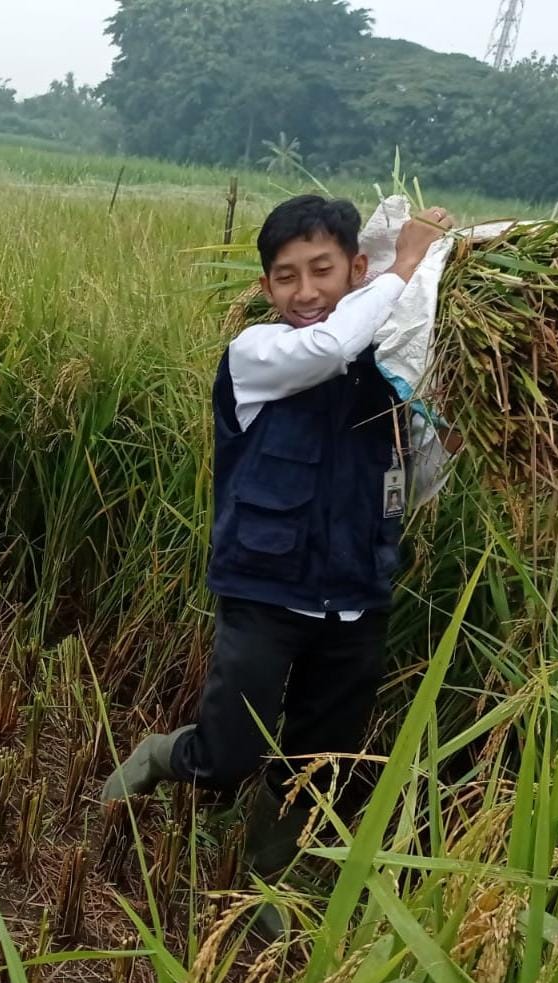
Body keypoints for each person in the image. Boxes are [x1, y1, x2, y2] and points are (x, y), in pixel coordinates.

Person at [102, 195, 459, 881]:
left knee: (315, 766)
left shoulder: (389, 373)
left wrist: (453, 436)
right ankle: (166, 753)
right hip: (264, 591)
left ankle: (268, 878)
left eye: (322, 270)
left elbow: (412, 479)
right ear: (266, 288)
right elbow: (329, 347)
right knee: (228, 755)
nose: (305, 292)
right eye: (286, 277)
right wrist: (407, 264)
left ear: (355, 270)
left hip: (356, 596)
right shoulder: (258, 353)